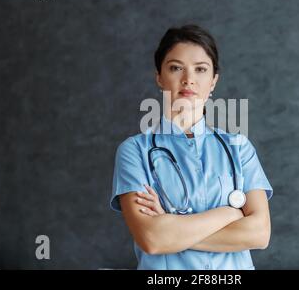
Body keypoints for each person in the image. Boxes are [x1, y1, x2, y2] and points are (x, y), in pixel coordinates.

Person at [110, 24, 273, 270]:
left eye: (200, 69)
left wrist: (172, 228)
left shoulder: (239, 148)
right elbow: (152, 239)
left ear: (213, 81)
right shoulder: (134, 151)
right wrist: (230, 214)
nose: (188, 79)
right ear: (159, 77)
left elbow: (259, 235)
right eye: (176, 68)